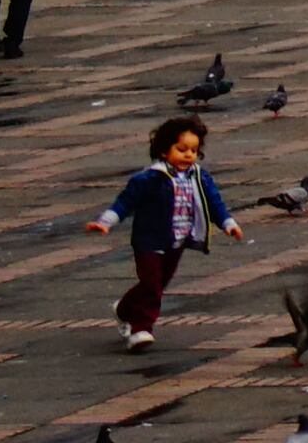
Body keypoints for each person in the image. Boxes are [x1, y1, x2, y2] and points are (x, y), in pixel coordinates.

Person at [88, 115, 244, 349]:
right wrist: (106, 222)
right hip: (148, 240)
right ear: (163, 151)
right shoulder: (150, 179)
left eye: (193, 150)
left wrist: (228, 223)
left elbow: (214, 203)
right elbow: (126, 202)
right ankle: (140, 329)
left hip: (177, 240)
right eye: (182, 149)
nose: (188, 155)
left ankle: (123, 308)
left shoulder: (199, 177)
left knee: (157, 284)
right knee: (152, 285)